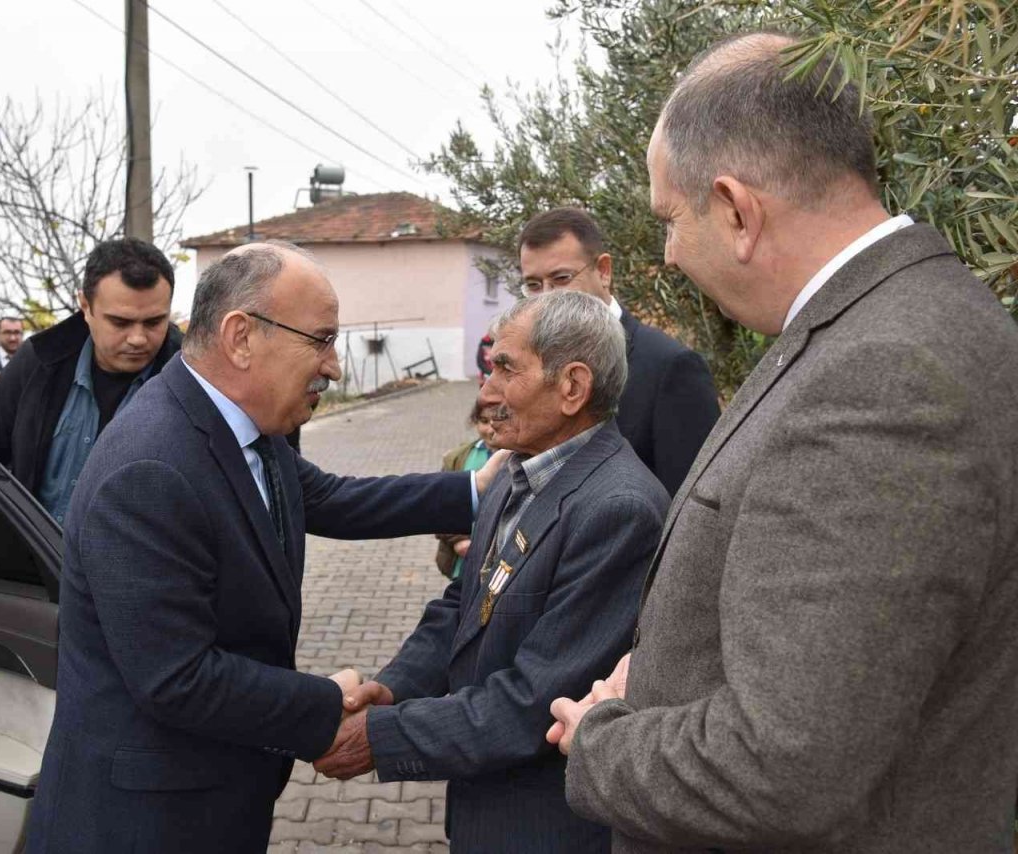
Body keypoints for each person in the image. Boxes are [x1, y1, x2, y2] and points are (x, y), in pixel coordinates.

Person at [549, 32, 1018, 854]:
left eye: (670, 218)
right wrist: (666, 673)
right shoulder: (905, 322)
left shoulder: (886, 376)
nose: (667, 251)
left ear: (735, 210)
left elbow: (783, 767)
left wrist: (602, 737)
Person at [24, 241, 507, 854]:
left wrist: (473, 490)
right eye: (321, 339)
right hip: (143, 821)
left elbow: (329, 499)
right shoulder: (148, 468)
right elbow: (178, 678)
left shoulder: (243, 425)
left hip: (214, 791)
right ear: (242, 336)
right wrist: (326, 705)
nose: (333, 366)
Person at [315, 290, 669, 854]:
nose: (486, 392)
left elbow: (535, 702)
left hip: (546, 826)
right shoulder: (516, 469)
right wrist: (395, 687)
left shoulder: (617, 510)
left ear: (573, 387)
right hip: (485, 808)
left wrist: (381, 739)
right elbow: (462, 606)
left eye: (506, 369)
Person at [0, 237, 183, 523]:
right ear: (85, 305)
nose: (137, 338)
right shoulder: (39, 360)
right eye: (119, 322)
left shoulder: (190, 379)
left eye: (154, 322)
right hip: (31, 559)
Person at [519, 206, 720, 494]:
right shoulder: (532, 365)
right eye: (533, 285)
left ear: (603, 271)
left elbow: (691, 504)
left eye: (561, 279)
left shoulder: (671, 368)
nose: (547, 298)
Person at [433, 399, 497, 579]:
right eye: (484, 421)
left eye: (498, 421)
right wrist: (459, 540)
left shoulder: (520, 456)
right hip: (463, 559)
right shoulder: (457, 458)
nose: (491, 429)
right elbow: (440, 506)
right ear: (474, 421)